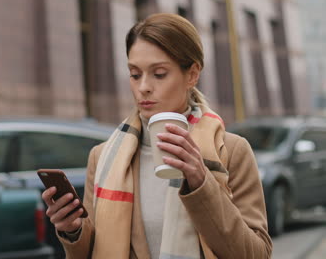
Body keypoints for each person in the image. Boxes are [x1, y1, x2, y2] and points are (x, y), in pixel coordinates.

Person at [42, 13, 272, 259]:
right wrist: (73, 230)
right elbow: (92, 251)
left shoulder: (231, 150)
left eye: (159, 74)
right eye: (135, 74)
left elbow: (256, 254)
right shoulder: (103, 157)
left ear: (192, 74)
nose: (143, 87)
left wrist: (201, 182)